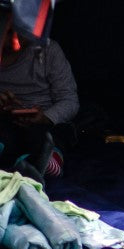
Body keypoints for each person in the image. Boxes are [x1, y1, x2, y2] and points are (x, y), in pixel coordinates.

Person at [0, 33, 78, 181]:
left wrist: (46, 117)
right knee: (6, 135)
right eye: (7, 31)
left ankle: (47, 161)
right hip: (6, 121)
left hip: (44, 121)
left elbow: (69, 100)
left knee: (54, 134)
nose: (14, 39)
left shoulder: (47, 50)